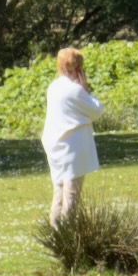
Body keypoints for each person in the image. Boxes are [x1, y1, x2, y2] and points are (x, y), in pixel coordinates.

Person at [41, 47, 104, 226]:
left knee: (59, 192)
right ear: (77, 68)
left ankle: (56, 233)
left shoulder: (54, 87)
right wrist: (86, 90)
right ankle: (68, 233)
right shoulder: (75, 91)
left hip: (55, 145)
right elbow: (96, 110)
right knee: (71, 194)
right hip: (72, 147)